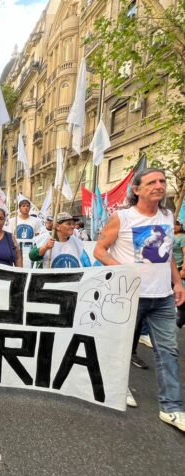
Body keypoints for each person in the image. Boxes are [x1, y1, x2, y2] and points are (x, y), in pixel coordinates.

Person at [94, 168, 185, 431]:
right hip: (129, 296)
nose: (159, 185)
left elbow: (166, 255)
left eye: (162, 181)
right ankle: (118, 387)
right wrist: (125, 271)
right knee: (121, 347)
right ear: (136, 189)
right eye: (152, 182)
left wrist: (177, 283)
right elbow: (100, 250)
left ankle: (172, 408)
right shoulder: (121, 217)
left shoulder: (168, 216)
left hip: (162, 299)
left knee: (168, 351)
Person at [173, 219, 185, 328]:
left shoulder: (182, 237)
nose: (175, 226)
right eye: (174, 224)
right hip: (169, 269)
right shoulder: (169, 236)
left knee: (179, 293)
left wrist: (184, 269)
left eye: (177, 224)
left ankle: (181, 318)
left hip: (179, 268)